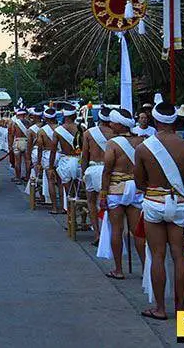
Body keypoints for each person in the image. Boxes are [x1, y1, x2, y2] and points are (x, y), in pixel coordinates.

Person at [135, 95, 184, 321]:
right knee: (179, 256)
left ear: (154, 119)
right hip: (179, 203)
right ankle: (182, 309)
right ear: (176, 120)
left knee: (157, 255)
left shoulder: (144, 148)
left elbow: (140, 183)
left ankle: (161, 309)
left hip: (154, 202)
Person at [98, 108, 145, 279]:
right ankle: (146, 269)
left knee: (116, 230)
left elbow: (107, 171)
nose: (110, 124)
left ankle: (118, 270)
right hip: (136, 189)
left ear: (119, 125)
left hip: (116, 189)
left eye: (113, 122)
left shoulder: (112, 143)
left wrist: (103, 194)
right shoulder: (141, 141)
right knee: (137, 231)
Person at [81, 106, 113, 246]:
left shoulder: (88, 133)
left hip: (92, 169)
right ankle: (109, 234)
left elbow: (84, 157)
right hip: (108, 170)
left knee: (91, 202)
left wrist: (83, 173)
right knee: (107, 203)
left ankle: (97, 234)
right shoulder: (115, 134)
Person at [51, 105, 81, 214]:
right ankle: (82, 220)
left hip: (65, 162)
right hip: (79, 162)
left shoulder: (58, 131)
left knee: (69, 192)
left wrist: (50, 167)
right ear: (75, 115)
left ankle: (71, 217)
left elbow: (53, 151)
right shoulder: (82, 128)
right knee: (80, 193)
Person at [37, 108, 59, 211]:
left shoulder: (41, 131)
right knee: (60, 181)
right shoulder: (60, 128)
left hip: (47, 155)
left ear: (45, 118)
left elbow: (40, 148)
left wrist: (38, 161)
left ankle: (54, 207)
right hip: (59, 154)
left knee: (50, 181)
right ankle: (64, 207)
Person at [25, 107, 43, 196]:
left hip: (36, 152)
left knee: (36, 173)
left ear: (35, 117)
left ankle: (36, 194)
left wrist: (28, 158)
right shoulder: (49, 127)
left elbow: (29, 145)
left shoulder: (31, 129)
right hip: (49, 152)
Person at [8, 108, 30, 183]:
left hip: (18, 141)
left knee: (18, 162)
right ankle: (27, 177)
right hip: (26, 142)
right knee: (27, 161)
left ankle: (18, 178)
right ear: (24, 115)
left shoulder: (14, 123)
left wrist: (10, 145)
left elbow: (11, 135)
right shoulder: (29, 123)